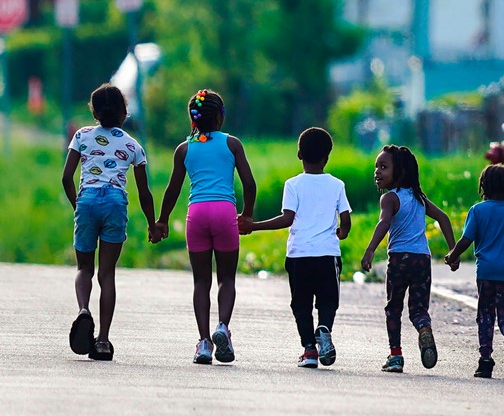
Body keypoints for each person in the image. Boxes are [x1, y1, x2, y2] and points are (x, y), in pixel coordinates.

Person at [155, 89, 256, 365]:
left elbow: (173, 188)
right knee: (227, 279)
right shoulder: (232, 144)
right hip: (224, 213)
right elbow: (249, 184)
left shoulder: (184, 148)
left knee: (201, 281)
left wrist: (162, 220)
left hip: (196, 214)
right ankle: (222, 326)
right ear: (221, 117)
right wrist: (246, 215)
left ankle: (203, 343)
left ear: (193, 118)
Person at [238, 127, 351, 369]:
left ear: (299, 154)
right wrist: (341, 233)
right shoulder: (337, 184)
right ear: (327, 157)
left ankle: (309, 350)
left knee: (301, 303)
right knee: (328, 299)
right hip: (327, 254)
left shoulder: (292, 185)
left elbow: (287, 218)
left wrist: (254, 225)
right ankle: (325, 328)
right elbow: (346, 220)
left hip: (299, 255)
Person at [61, 84, 157, 361]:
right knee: (107, 274)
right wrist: (153, 224)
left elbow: (66, 177)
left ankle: (83, 310)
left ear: (93, 111)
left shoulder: (81, 136)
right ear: (124, 112)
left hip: (88, 200)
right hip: (115, 203)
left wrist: (78, 206)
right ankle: (102, 341)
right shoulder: (133, 146)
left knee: (84, 269)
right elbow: (144, 193)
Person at [360, 145, 457, 373]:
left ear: (400, 172)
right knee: (418, 309)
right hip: (422, 260)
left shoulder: (390, 199)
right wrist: (453, 251)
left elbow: (383, 223)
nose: (377, 172)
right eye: (376, 167)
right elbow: (443, 218)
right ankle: (424, 328)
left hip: (399, 259)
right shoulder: (419, 199)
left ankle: (395, 356)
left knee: (394, 308)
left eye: (383, 167)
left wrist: (370, 249)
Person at [444, 164, 504, 379]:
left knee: (486, 316)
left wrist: (452, 256)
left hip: (486, 273)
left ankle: (485, 362)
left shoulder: (478, 210)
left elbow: (466, 240)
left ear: (483, 186)